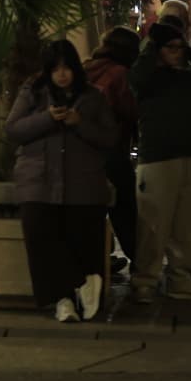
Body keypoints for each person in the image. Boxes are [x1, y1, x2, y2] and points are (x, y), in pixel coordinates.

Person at [5, 40, 116, 322]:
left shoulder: (93, 96)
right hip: (38, 180)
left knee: (78, 237)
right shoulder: (34, 92)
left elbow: (110, 138)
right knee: (40, 236)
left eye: (67, 67)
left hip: (82, 182)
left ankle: (80, 289)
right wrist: (47, 119)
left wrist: (79, 123)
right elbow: (14, 129)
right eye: (56, 69)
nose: (62, 74)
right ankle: (65, 297)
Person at [128, 20, 191, 303]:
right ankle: (145, 280)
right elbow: (137, 77)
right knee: (153, 223)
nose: (177, 52)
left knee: (188, 224)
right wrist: (152, 48)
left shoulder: (188, 78)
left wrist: (190, 53)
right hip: (158, 158)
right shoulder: (148, 79)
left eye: (180, 47)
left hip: (190, 155)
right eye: (171, 48)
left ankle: (181, 278)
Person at [84, 27, 141, 270]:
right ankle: (140, 257)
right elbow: (132, 111)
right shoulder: (121, 74)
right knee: (124, 207)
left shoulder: (85, 69)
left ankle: (98, 258)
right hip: (112, 148)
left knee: (93, 209)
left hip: (84, 149)